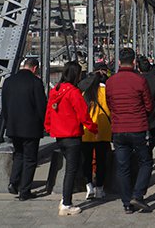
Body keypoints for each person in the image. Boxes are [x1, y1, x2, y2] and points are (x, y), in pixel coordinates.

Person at [45, 61, 98, 216]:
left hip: (59, 136)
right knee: (71, 170)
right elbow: (83, 114)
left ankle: (65, 199)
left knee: (69, 168)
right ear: (76, 75)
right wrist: (93, 128)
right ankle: (66, 203)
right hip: (72, 135)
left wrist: (49, 127)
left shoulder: (55, 91)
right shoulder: (73, 92)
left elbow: (49, 112)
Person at [106, 48, 154, 214]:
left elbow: (109, 104)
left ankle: (127, 203)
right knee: (146, 162)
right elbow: (148, 105)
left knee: (122, 167)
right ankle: (138, 195)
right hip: (137, 127)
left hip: (118, 129)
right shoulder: (140, 80)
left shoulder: (110, 82)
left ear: (119, 62)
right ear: (134, 62)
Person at [2, 58, 46, 201]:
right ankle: (25, 190)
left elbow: (4, 105)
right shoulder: (36, 82)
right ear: (35, 68)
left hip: (14, 126)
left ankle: (13, 182)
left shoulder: (9, 81)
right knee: (30, 159)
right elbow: (41, 106)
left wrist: (8, 122)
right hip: (31, 127)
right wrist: (44, 124)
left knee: (19, 155)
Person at [80, 63, 111, 200]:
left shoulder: (85, 93)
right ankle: (99, 188)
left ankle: (89, 186)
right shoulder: (106, 91)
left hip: (87, 130)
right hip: (103, 130)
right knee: (101, 161)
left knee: (87, 160)